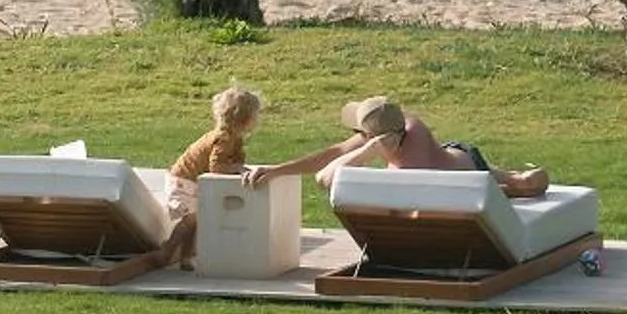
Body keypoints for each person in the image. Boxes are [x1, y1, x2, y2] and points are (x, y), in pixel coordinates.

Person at [163, 85, 354, 269]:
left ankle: (185, 257)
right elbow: (217, 167)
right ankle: (169, 250)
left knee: (196, 220)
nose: (258, 118)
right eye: (256, 114)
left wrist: (240, 166)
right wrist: (238, 168)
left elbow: (230, 160)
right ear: (245, 118)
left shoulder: (233, 137)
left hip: (190, 181)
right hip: (184, 181)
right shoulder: (224, 138)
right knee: (190, 220)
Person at [325, 95, 550, 199]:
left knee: (509, 185)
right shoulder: (414, 126)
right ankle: (512, 183)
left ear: (372, 137)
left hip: (466, 179)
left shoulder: (404, 176)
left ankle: (513, 184)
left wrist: (367, 152)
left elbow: (324, 178)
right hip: (461, 163)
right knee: (504, 184)